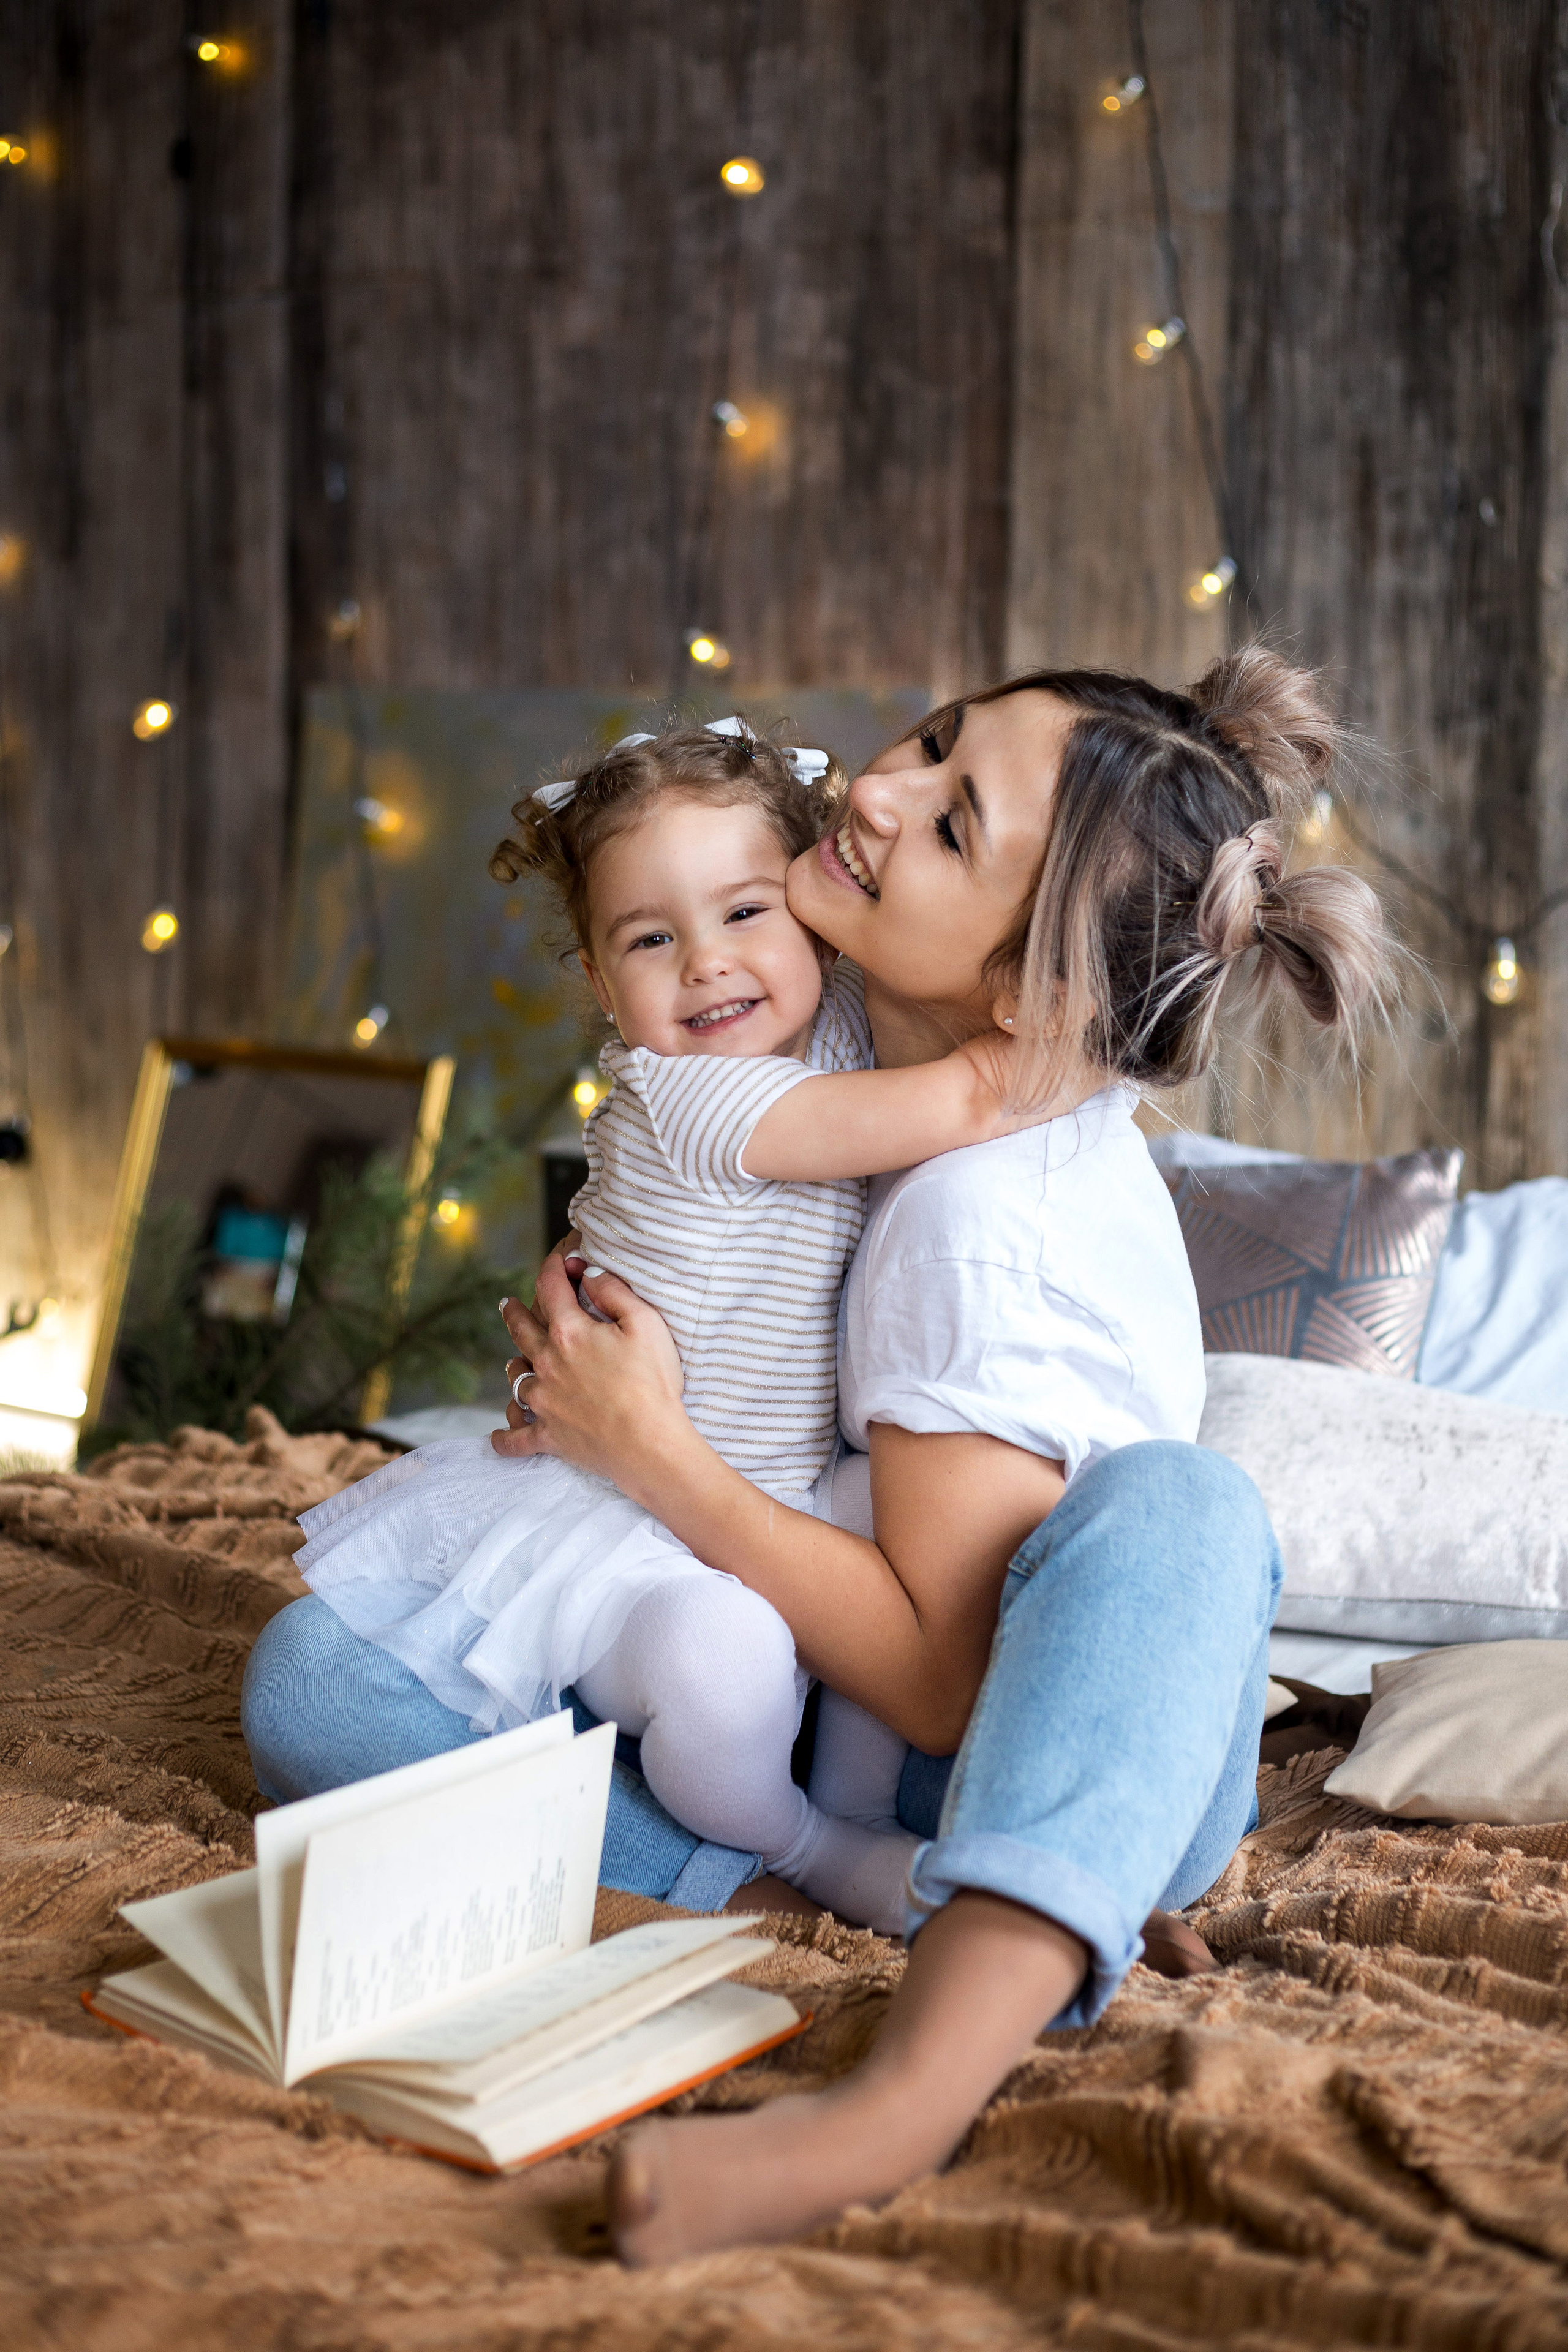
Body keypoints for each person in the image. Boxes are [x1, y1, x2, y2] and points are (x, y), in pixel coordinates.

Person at [477, 650, 1393, 2262]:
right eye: (931, 742)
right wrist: (592, 1354)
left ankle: (899, 2100)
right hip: (830, 1720)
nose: (874, 788)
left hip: (1016, 1743)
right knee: (341, 1707)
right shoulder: (839, 1039)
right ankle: (799, 1879)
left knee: (1186, 1509)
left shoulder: (981, 1234)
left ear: (1032, 1004)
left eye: (955, 823)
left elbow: (945, 1681)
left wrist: (657, 1455)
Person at [283, 714, 1074, 1933]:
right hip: (631, 1518)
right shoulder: (702, 1094)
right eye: (652, 939)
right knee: (717, 1657)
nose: (707, 962)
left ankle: (856, 1818)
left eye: (744, 913)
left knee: (928, 1548)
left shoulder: (836, 1025)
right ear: (604, 984)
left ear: (810, 909)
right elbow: (967, 1095)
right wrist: (1081, 1037)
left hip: (781, 1489)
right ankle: (789, 1851)